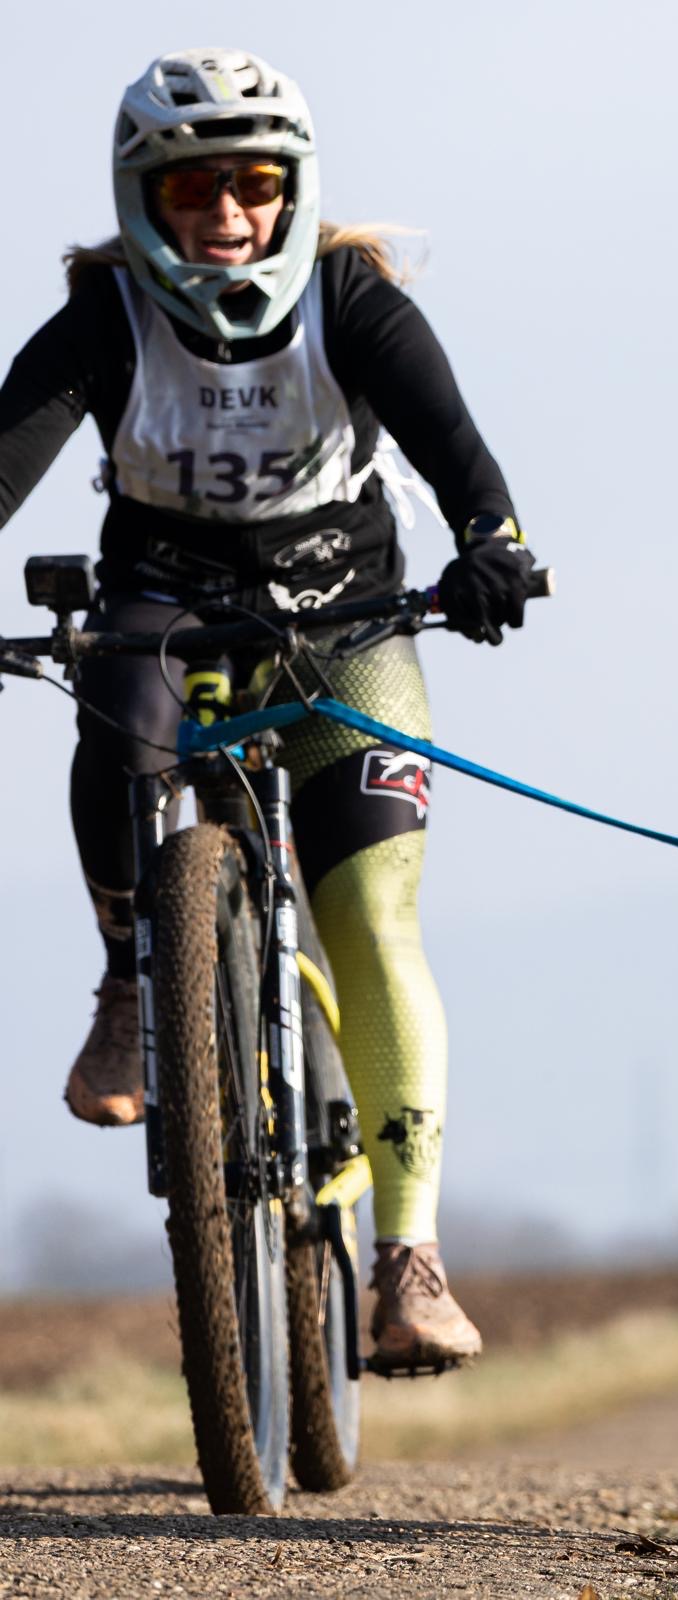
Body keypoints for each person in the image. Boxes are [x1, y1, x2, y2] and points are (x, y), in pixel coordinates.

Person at [0, 47, 540, 1368]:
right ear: (142, 198)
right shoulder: (106, 315)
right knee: (112, 709)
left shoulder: (349, 297)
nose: (228, 214)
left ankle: (409, 1260)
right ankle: (132, 979)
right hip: (166, 616)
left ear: (292, 188)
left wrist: (494, 547)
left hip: (346, 629)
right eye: (194, 189)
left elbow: (461, 459)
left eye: (252, 183)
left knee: (374, 921)